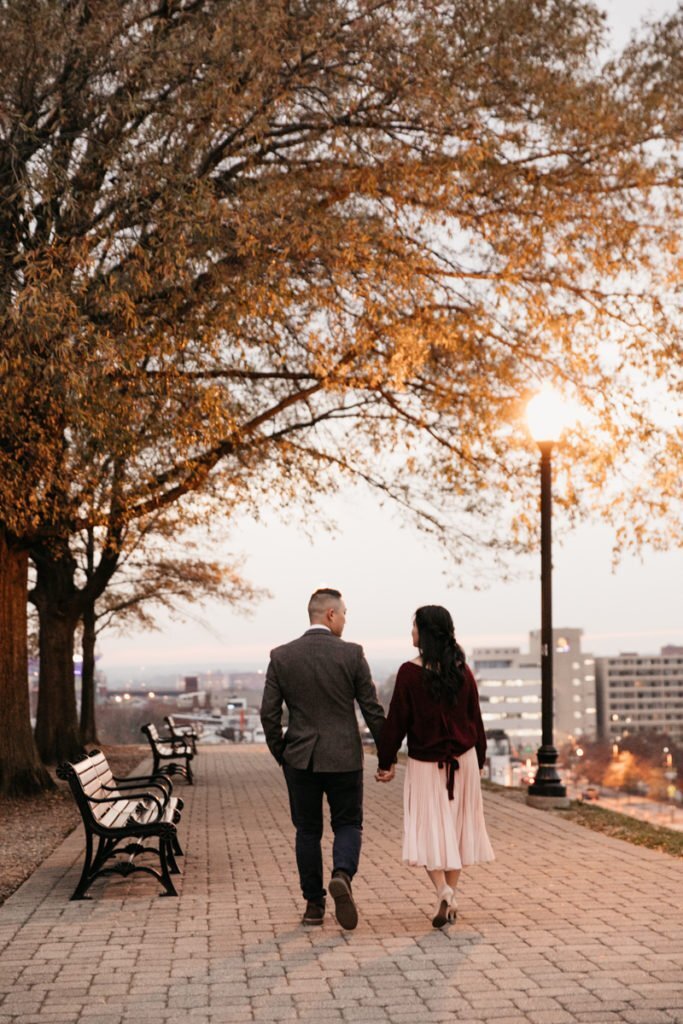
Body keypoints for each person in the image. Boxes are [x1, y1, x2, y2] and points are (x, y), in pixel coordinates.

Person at [260, 587, 386, 930]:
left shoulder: (282, 656)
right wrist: (387, 756)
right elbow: (372, 710)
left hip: (301, 758)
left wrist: (282, 754)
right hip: (344, 756)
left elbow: (268, 714)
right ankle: (342, 874)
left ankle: (314, 906)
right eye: (343, 613)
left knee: (307, 831)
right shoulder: (352, 654)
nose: (345, 619)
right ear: (330, 614)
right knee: (347, 824)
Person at [376, 605, 494, 926]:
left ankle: (442, 890)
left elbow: (396, 722)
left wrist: (385, 761)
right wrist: (479, 759)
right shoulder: (463, 671)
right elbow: (476, 720)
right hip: (464, 761)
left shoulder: (409, 673)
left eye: (414, 627)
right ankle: (450, 896)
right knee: (456, 829)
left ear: (425, 633)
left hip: (427, 764)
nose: (411, 633)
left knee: (428, 829)